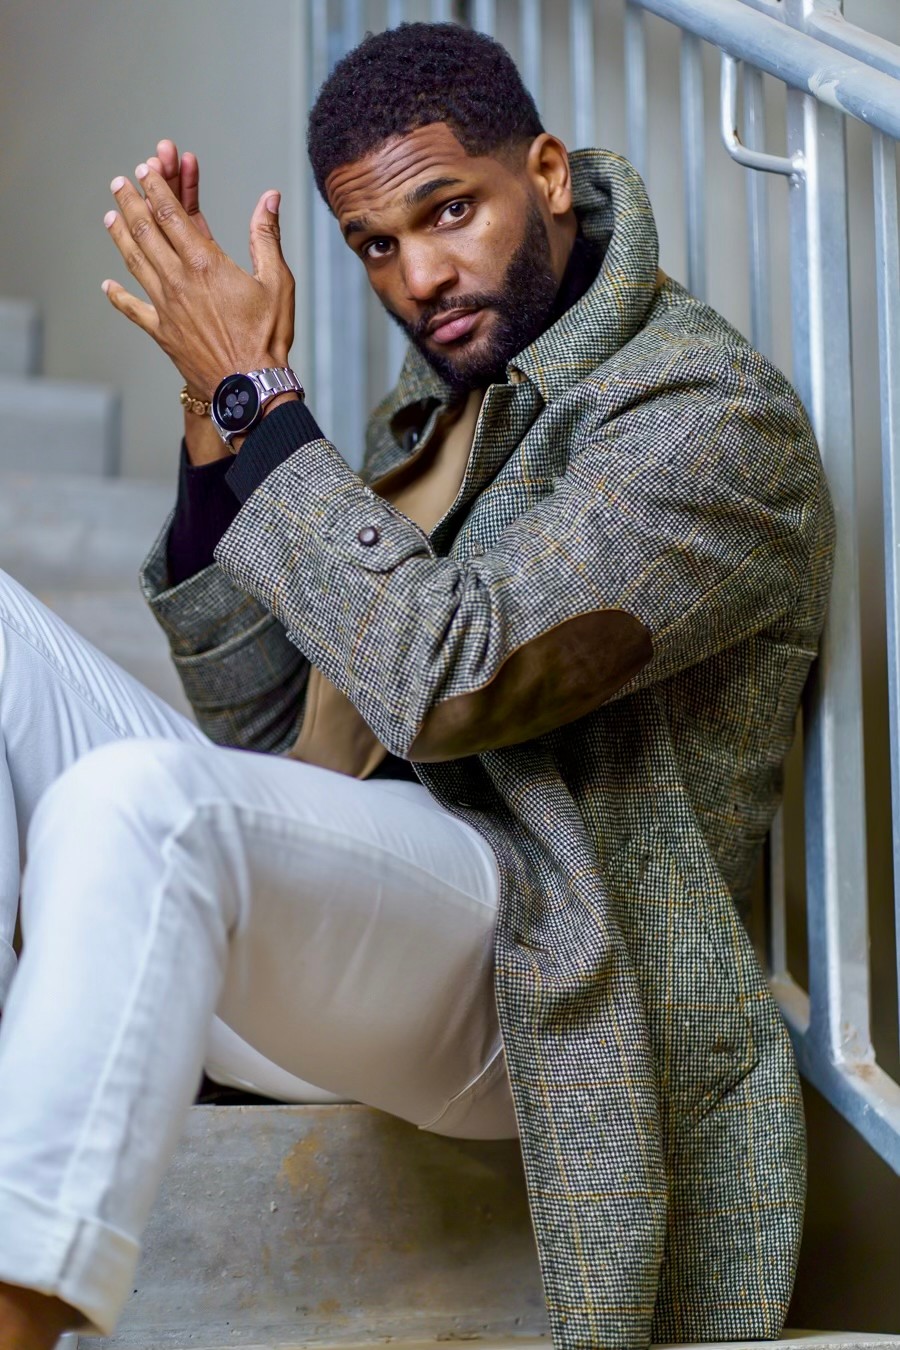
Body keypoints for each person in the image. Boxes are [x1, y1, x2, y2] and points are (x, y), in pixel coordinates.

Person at [0, 21, 833, 1350]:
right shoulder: (446, 402)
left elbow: (452, 685)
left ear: (547, 174)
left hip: (548, 969)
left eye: (450, 211)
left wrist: (266, 402)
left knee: (134, 805)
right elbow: (271, 731)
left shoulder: (705, 419)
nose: (421, 275)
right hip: (344, 938)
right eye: (375, 245)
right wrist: (218, 425)